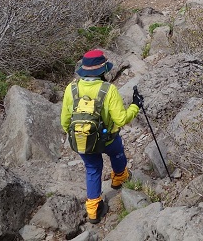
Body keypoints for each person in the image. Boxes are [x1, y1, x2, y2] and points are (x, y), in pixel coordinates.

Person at [60, 49, 142, 224]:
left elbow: (65, 121)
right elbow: (121, 119)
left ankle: (93, 209)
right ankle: (119, 178)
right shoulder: (108, 90)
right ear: (102, 71)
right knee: (117, 149)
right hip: (107, 139)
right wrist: (135, 106)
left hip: (82, 141)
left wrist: (75, 135)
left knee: (93, 168)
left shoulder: (71, 89)